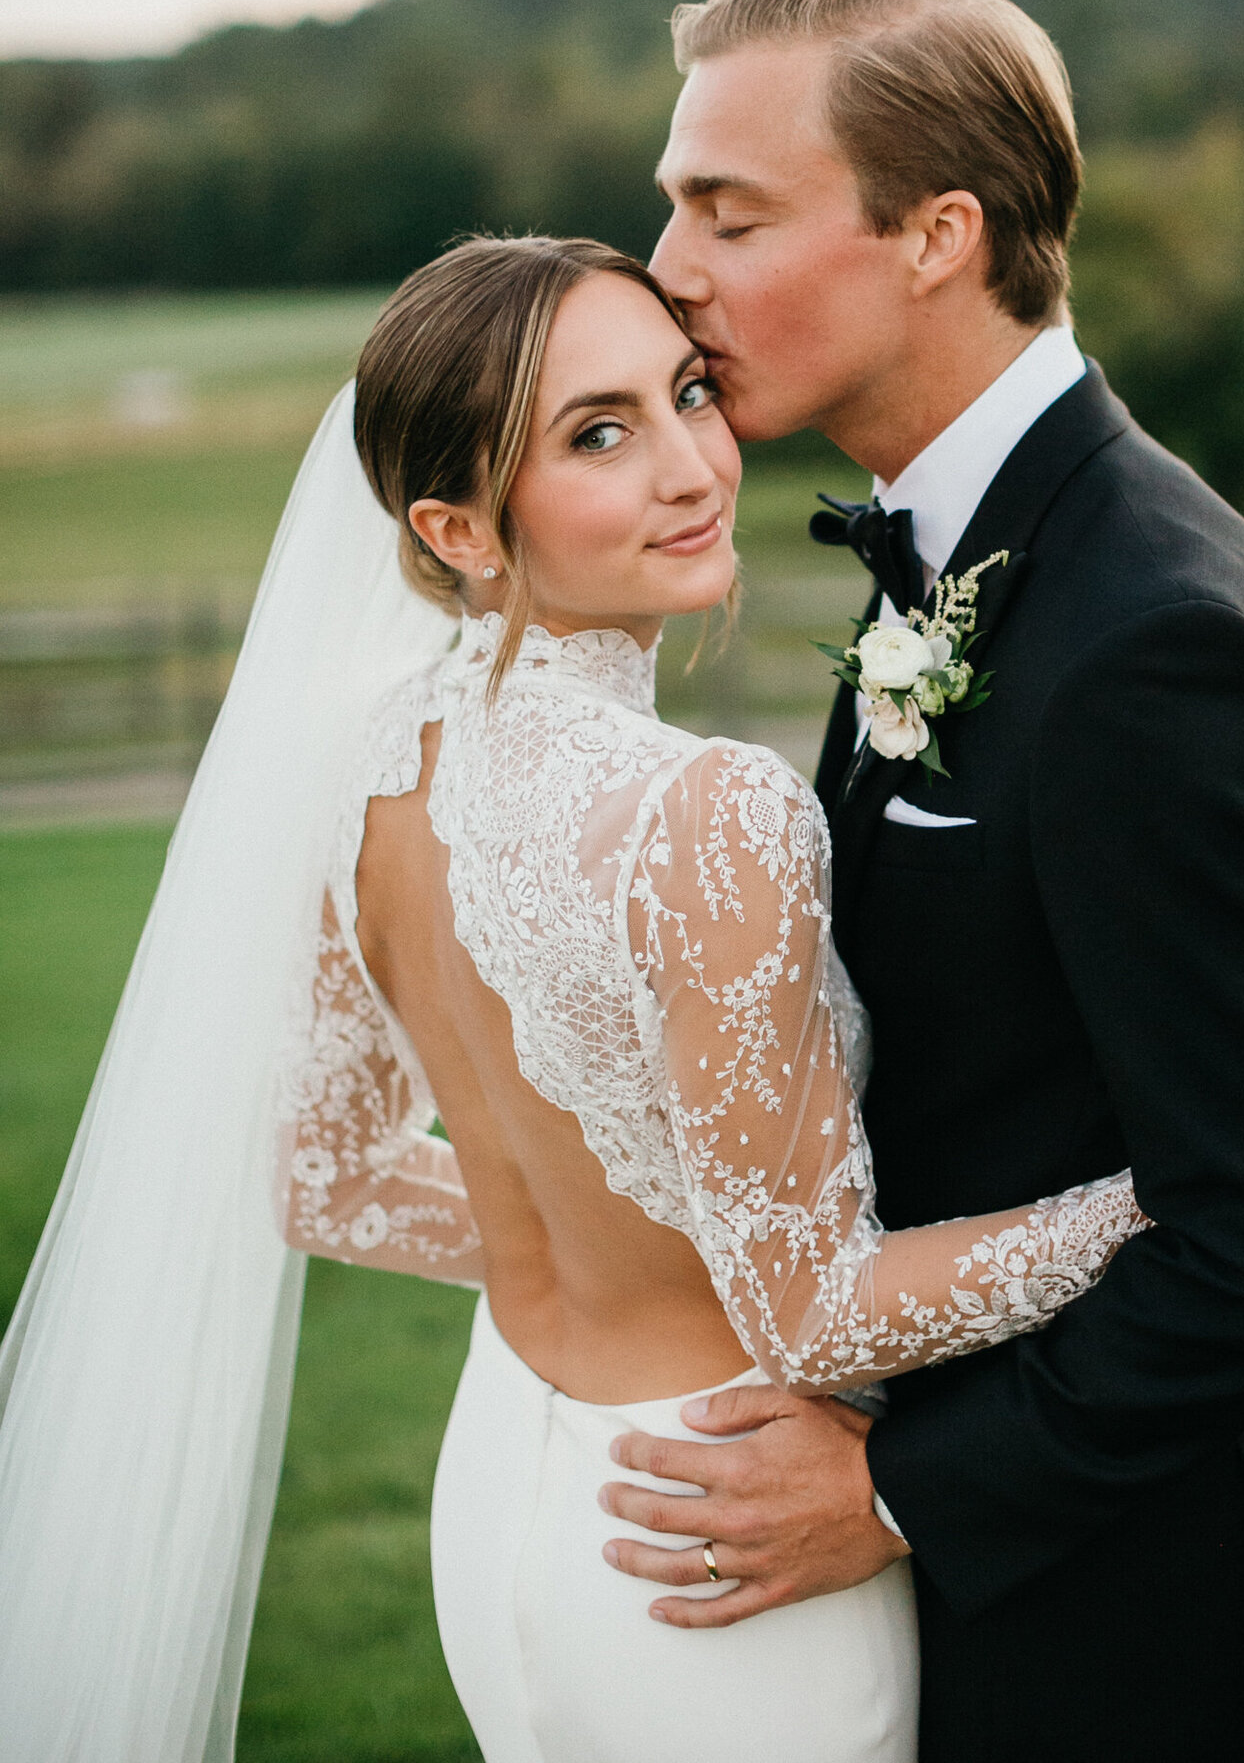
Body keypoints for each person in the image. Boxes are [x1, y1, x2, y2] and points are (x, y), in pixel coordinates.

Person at [0, 231, 1149, 1763]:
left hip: (509, 1500)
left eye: (688, 394)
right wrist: (1155, 1198)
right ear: (456, 526)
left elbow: (326, 1182)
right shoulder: (711, 814)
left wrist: (617, 1227)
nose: (692, 467)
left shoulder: (367, 766)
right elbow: (809, 1313)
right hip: (717, 1541)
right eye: (599, 435)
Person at [607, 0, 1244, 1763]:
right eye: (673, 207)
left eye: (727, 211)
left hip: (1126, 1601)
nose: (669, 270)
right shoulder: (951, 552)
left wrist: (899, 1493)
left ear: (936, 233)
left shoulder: (1155, 642)